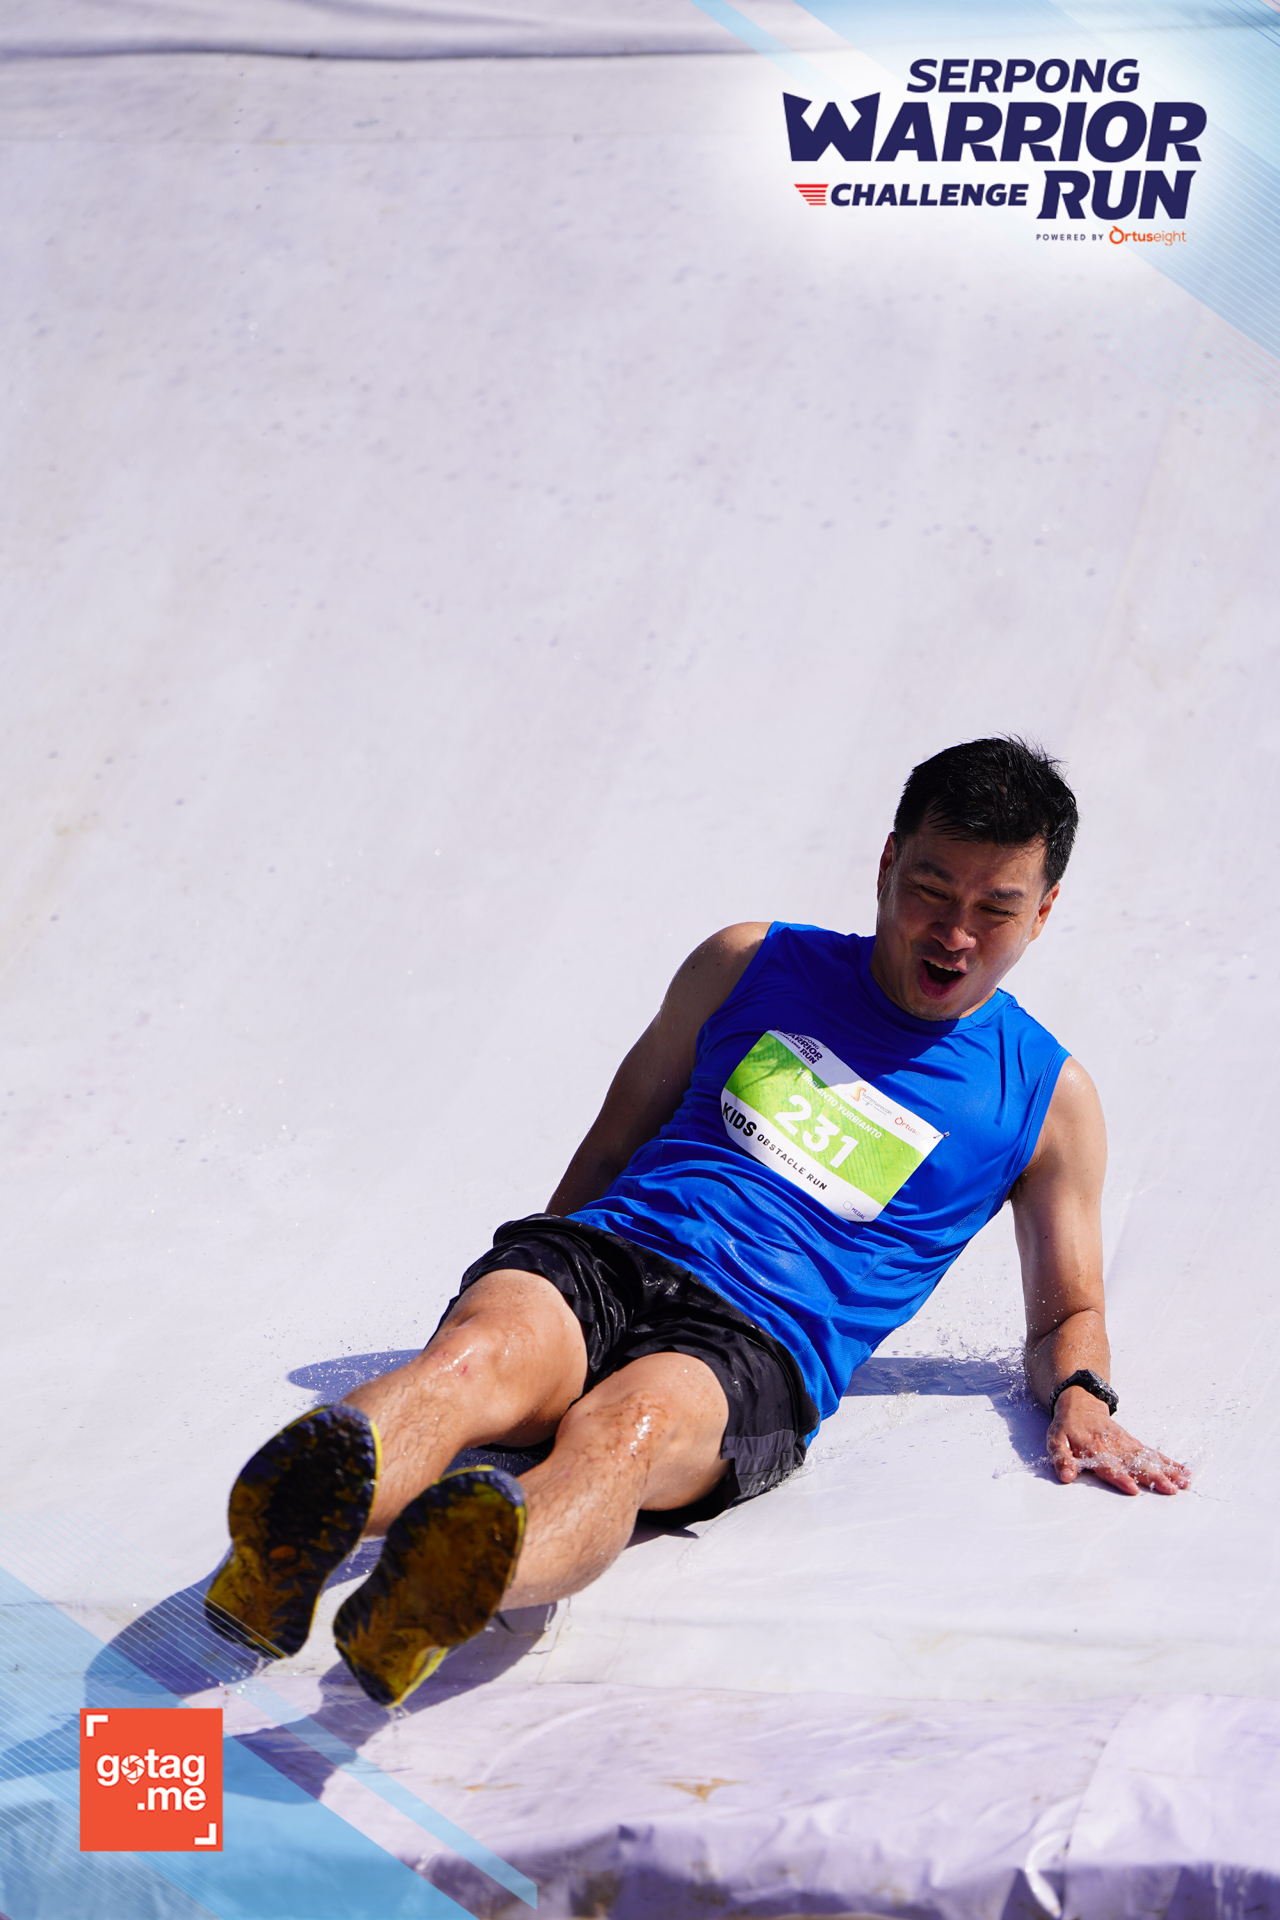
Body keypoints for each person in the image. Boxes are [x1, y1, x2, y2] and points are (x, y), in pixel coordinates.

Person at [206, 736, 1189, 1707]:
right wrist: (525, 1285)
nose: (955, 934)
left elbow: (1068, 1312)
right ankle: (282, 1539)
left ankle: (446, 1583)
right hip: (612, 1249)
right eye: (931, 890)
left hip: (756, 1342)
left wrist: (1082, 1396)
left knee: (622, 1433)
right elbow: (610, 1145)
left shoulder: (1045, 1098)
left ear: (1042, 912)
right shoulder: (750, 962)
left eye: (995, 909)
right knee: (476, 1358)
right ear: (887, 862)